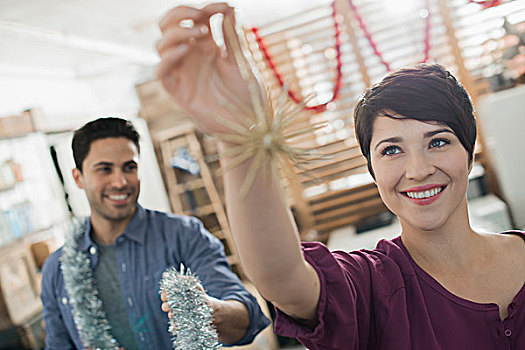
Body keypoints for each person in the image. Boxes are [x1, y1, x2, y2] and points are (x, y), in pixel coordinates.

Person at [155, 3, 525, 349]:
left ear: (469, 148)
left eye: (438, 142)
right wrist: (240, 136)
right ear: (371, 168)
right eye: (391, 150)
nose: (418, 170)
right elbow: (281, 276)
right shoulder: (370, 286)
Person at [40, 117, 270, 349]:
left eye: (129, 167)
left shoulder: (184, 235)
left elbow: (247, 318)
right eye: (104, 170)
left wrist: (209, 309)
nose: (120, 182)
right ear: (78, 178)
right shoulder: (57, 269)